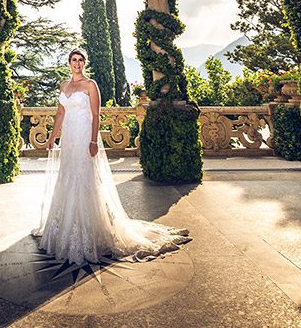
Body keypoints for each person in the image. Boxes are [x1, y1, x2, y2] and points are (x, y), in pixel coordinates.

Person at [33, 48, 191, 266]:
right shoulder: (64, 85)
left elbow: (95, 114)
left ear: (84, 63)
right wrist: (53, 137)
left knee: (85, 178)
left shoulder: (90, 85)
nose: (77, 63)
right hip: (69, 138)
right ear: (69, 63)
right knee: (67, 176)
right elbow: (60, 113)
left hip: (84, 136)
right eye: (74, 60)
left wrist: (92, 141)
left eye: (80, 60)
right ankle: (65, 227)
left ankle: (91, 231)